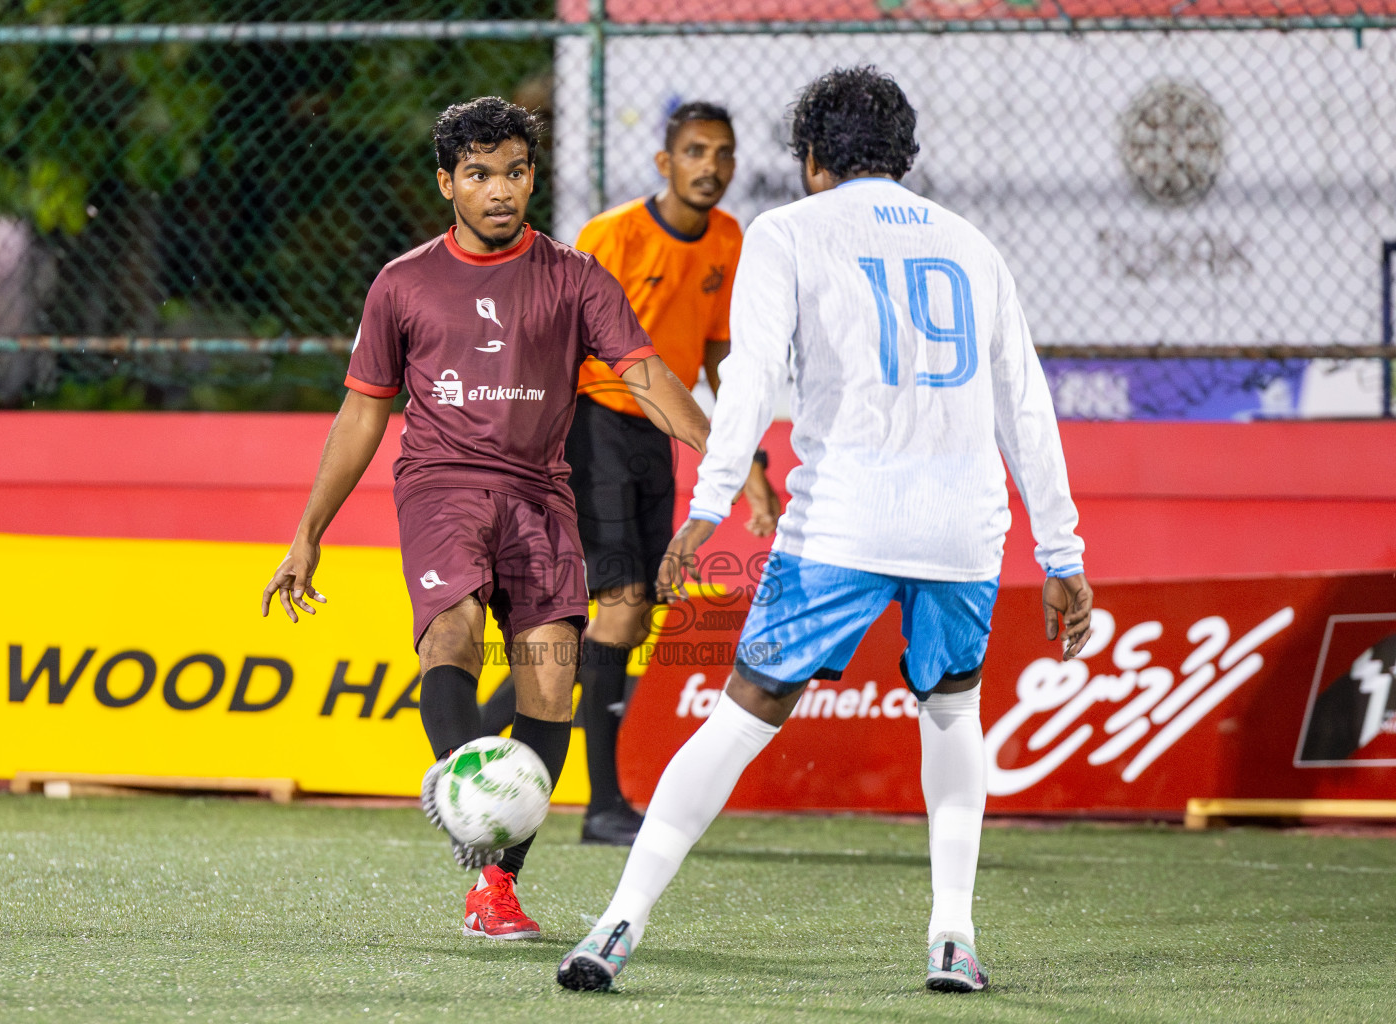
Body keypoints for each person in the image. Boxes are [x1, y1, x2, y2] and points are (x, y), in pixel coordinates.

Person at [557, 67, 1093, 993]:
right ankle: (954, 939)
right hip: (963, 533)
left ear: (811, 160)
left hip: (841, 525)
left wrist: (707, 507)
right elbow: (1026, 409)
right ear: (904, 154)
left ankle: (617, 924)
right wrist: (1064, 554)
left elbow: (750, 380)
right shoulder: (975, 245)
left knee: (742, 714)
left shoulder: (785, 232)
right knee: (954, 712)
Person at [261, 97, 709, 942]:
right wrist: (307, 533)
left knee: (549, 677)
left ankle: (495, 886)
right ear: (447, 184)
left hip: (542, 492)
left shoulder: (575, 277)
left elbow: (645, 376)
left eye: (515, 171)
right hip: (443, 487)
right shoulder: (403, 282)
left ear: (532, 176)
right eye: (479, 174)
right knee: (455, 635)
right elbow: (362, 414)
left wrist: (722, 461)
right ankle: (467, 804)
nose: (500, 190)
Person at [479, 101, 781, 847]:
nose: (710, 166)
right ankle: (605, 805)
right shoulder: (611, 236)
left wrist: (747, 460)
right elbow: (551, 341)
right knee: (619, 605)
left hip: (657, 433)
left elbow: (717, 356)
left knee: (632, 615)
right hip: (592, 424)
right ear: (665, 163)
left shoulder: (730, 240)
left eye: (722, 154)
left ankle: (474, 744)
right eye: (695, 151)